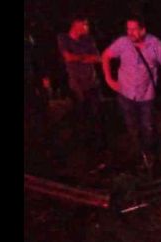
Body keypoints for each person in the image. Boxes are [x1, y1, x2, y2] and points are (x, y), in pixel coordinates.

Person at [102, 18, 161, 173]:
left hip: (146, 95)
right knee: (132, 126)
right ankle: (138, 156)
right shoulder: (123, 43)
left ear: (143, 30)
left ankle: (149, 156)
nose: (130, 33)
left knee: (147, 126)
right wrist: (108, 79)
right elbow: (106, 55)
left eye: (134, 29)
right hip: (125, 93)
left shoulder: (154, 44)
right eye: (128, 29)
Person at [57, 16, 104, 151]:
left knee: (97, 116)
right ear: (76, 24)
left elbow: (98, 58)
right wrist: (85, 57)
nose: (87, 27)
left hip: (92, 82)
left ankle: (99, 147)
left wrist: (78, 57)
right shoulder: (63, 38)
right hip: (76, 84)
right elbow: (67, 57)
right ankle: (83, 147)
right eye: (85, 24)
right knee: (82, 116)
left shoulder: (88, 40)